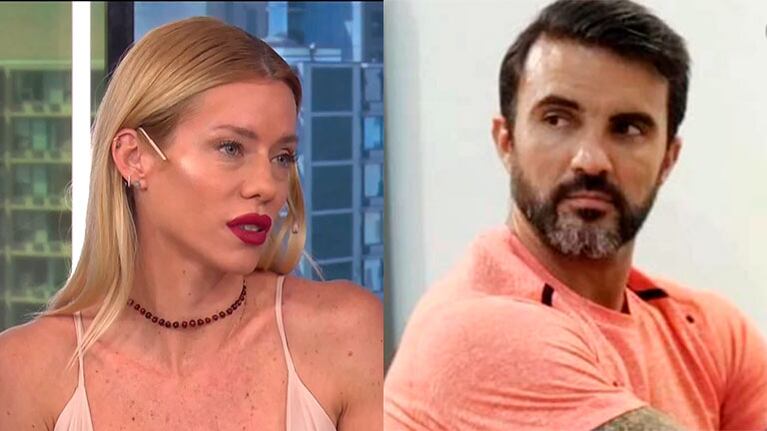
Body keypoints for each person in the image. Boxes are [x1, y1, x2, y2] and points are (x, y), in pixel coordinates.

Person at [384, 0, 767, 429]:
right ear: (506, 141)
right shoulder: (473, 331)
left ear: (668, 160)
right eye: (557, 119)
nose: (591, 160)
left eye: (627, 128)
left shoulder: (712, 334)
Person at [0, 17, 382, 430]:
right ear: (133, 158)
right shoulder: (25, 372)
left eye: (282, 157)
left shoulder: (347, 335)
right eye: (231, 148)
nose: (267, 186)